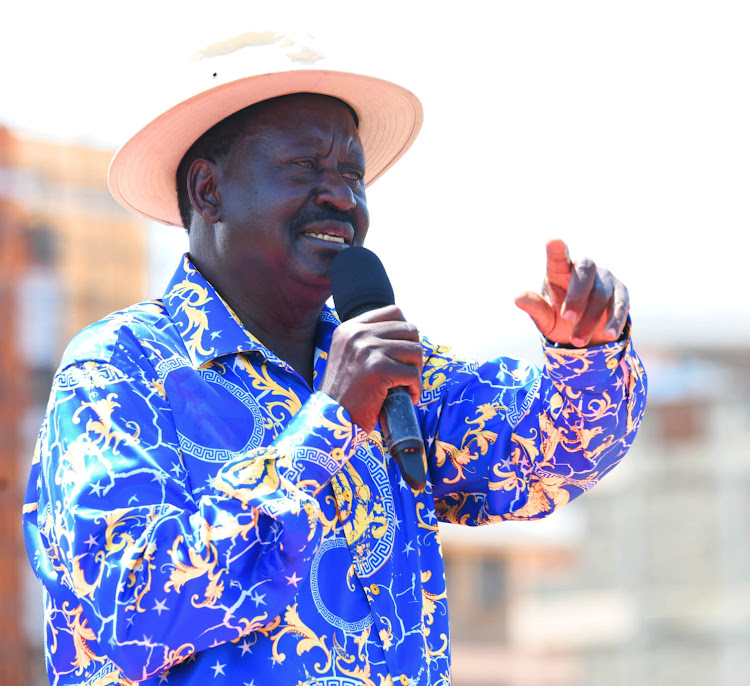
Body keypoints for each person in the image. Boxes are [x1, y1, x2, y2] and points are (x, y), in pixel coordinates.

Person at [23, 34, 647, 686]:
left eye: (352, 174)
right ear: (208, 190)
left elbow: (542, 460)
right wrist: (331, 425)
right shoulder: (119, 374)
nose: (343, 197)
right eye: (304, 167)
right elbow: (136, 611)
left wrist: (588, 352)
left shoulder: (397, 374)